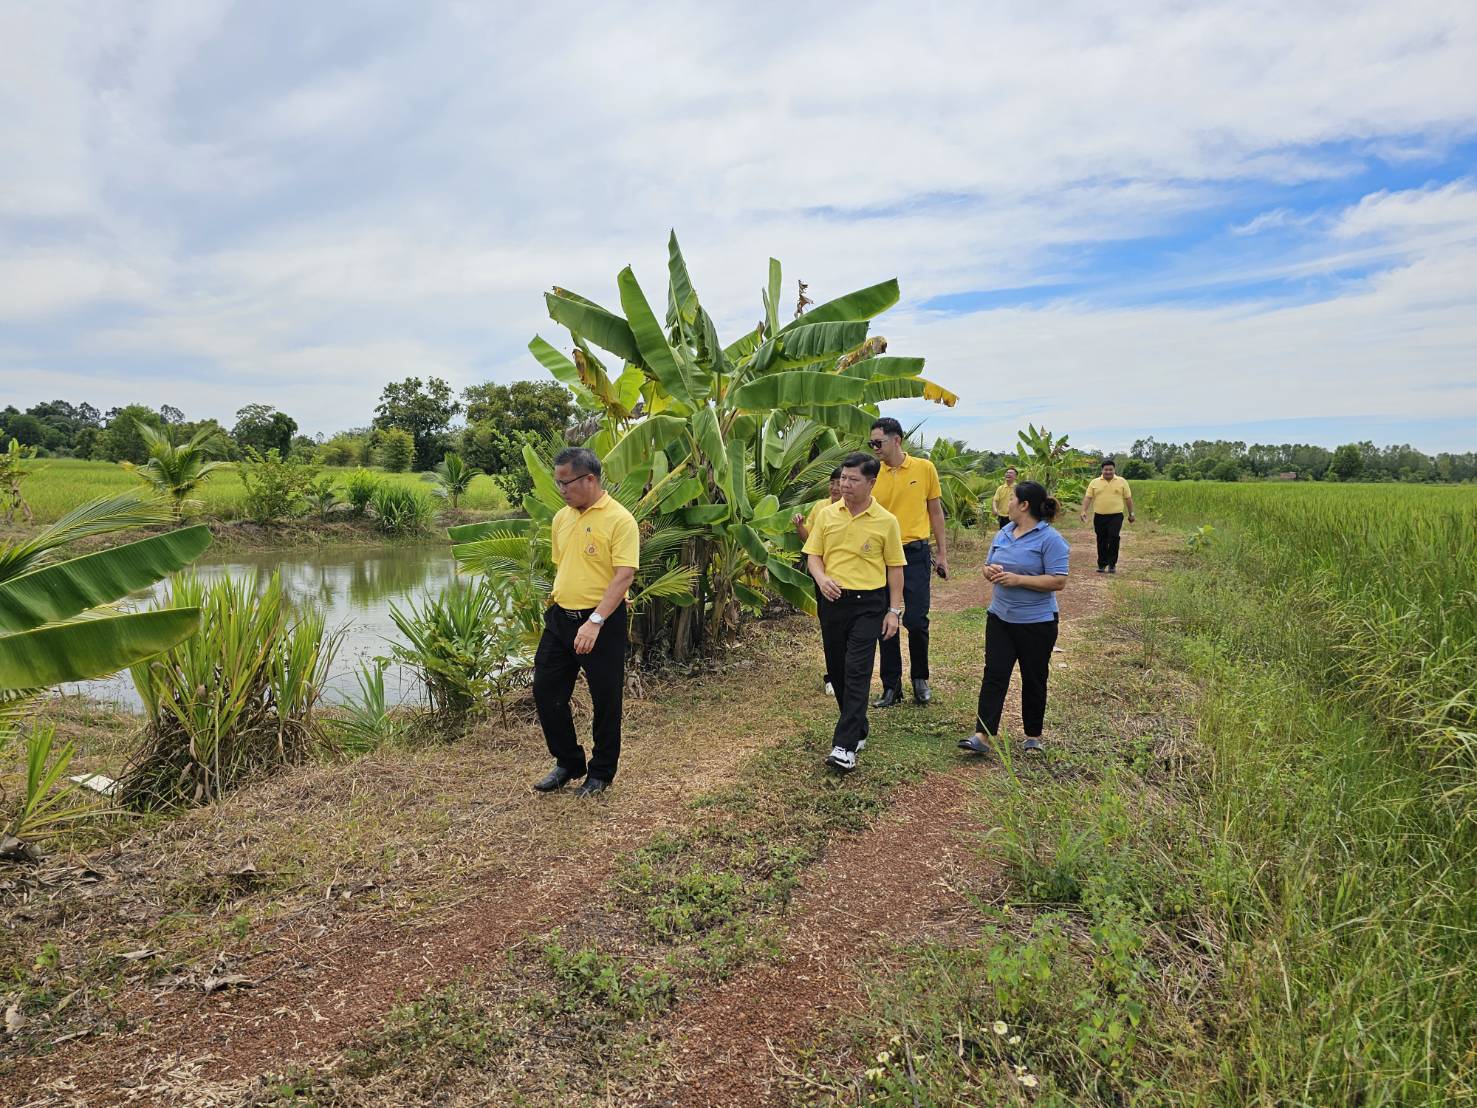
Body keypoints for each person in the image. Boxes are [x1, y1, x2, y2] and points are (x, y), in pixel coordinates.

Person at [531, 447, 639, 798]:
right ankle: (569, 762)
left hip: (601, 622)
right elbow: (564, 564)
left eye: (566, 482)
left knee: (606, 700)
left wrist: (594, 621)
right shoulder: (562, 518)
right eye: (558, 482)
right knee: (546, 692)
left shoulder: (620, 520)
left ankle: (601, 773)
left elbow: (624, 575)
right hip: (561, 619)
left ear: (589, 479)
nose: (561, 490)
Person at [803, 453, 905, 773]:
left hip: (869, 603)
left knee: (857, 668)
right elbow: (814, 557)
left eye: (852, 480)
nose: (844, 485)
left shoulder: (886, 521)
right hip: (832, 602)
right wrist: (821, 579)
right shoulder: (827, 515)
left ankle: (844, 746)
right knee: (837, 670)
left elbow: (895, 569)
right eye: (843, 478)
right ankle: (858, 728)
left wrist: (893, 611)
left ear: (871, 482)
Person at [960, 480, 1070, 757]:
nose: (1007, 504)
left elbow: (1058, 581)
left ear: (1024, 505)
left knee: (1034, 677)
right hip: (1000, 618)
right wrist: (989, 571)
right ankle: (982, 735)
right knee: (994, 675)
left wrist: (1019, 579)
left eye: (1012, 500)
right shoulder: (1004, 532)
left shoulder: (1051, 539)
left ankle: (1033, 735)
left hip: (1037, 623)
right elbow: (988, 565)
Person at [868, 417, 948, 707]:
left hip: (914, 553)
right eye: (871, 443)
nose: (875, 448)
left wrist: (941, 553)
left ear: (896, 440)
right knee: (885, 620)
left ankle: (920, 679)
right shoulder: (872, 474)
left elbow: (936, 513)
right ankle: (891, 687)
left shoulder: (924, 469)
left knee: (916, 619)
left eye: (879, 442)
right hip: (880, 556)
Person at [793, 467, 845, 696]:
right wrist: (799, 527)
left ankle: (847, 672)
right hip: (823, 575)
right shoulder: (821, 508)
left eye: (839, 482)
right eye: (832, 482)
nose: (835, 487)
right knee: (830, 626)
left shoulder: (858, 509)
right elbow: (810, 543)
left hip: (849, 576)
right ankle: (832, 675)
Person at [1080, 457, 1135, 574]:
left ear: (1114, 470)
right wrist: (1083, 511)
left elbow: (1128, 499)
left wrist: (1131, 513)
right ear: (1102, 470)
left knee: (1114, 537)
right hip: (1099, 516)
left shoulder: (1122, 481)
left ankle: (1112, 564)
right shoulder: (1094, 483)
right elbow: (1088, 498)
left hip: (1116, 515)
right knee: (1101, 540)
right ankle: (1102, 564)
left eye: (1111, 470)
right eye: (1106, 470)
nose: (1108, 472)